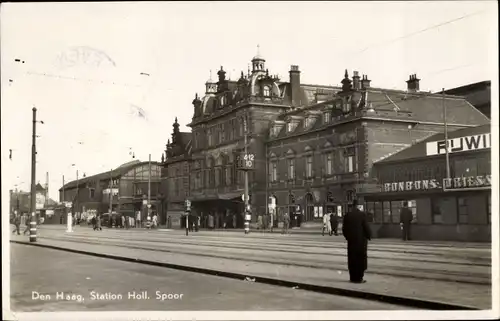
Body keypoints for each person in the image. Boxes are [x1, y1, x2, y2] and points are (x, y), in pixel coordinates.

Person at [342, 200, 371, 283]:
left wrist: (348, 237)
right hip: (360, 241)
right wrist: (369, 236)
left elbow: (344, 229)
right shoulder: (362, 215)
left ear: (352, 206)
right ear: (358, 206)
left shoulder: (347, 215)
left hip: (351, 242)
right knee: (360, 259)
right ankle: (359, 278)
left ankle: (352, 277)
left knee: (352, 259)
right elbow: (366, 227)